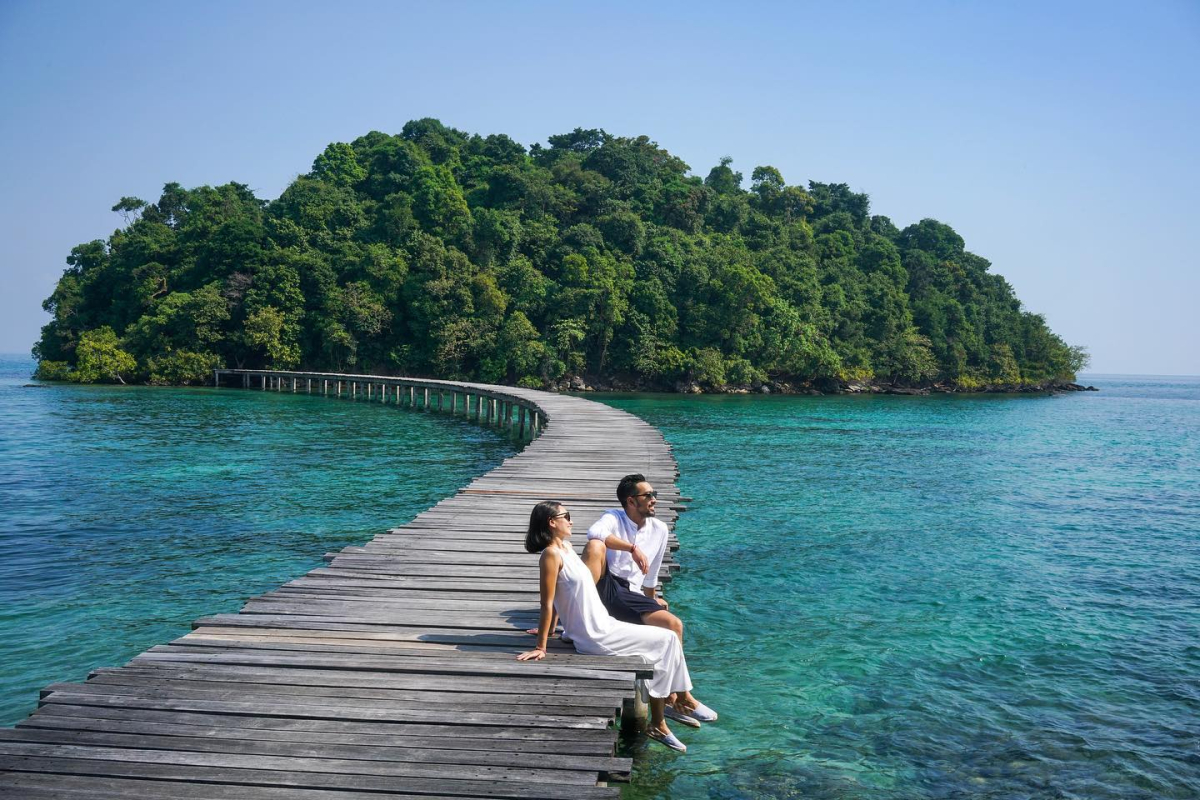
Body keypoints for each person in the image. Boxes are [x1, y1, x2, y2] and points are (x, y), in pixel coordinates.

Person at [517, 501, 696, 752]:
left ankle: (670, 708)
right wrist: (541, 646)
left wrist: (554, 628)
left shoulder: (567, 548)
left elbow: (562, 597)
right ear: (552, 522)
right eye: (566, 516)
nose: (571, 521)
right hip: (594, 635)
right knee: (666, 640)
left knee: (667, 640)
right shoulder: (550, 555)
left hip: (606, 623)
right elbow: (547, 602)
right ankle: (671, 709)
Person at [583, 473, 716, 726]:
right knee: (672, 625)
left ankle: (672, 699)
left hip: (631, 594)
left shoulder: (659, 529)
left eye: (654, 494)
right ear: (631, 501)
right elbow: (594, 533)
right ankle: (681, 698)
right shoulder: (614, 518)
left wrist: (651, 601)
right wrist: (632, 548)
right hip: (609, 587)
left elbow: (651, 574)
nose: (654, 499)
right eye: (649, 495)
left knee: (672, 625)